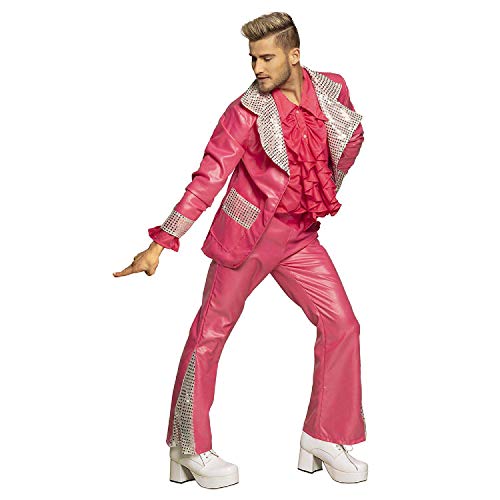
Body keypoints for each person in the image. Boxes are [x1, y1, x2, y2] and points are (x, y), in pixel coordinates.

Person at [113, 11, 368, 489]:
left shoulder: (333, 89)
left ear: (294, 55)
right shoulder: (244, 112)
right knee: (209, 334)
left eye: (266, 57)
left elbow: (345, 142)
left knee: (342, 325)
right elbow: (207, 178)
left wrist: (324, 187)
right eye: (252, 58)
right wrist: (160, 242)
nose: (257, 68)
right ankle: (188, 446)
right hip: (246, 238)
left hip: (299, 236)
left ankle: (325, 435)